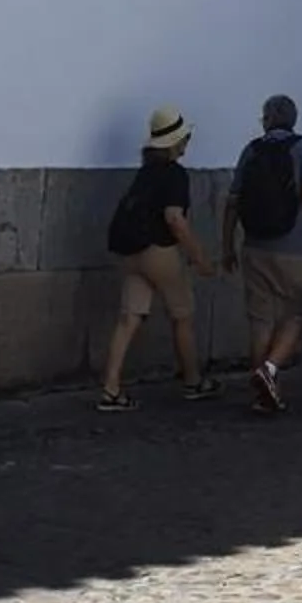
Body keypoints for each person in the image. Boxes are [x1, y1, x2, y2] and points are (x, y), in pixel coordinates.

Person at [223, 93, 302, 411]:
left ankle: (261, 392)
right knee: (298, 312)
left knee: (260, 320)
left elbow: (232, 202)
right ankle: (270, 369)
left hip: (254, 246)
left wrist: (226, 246)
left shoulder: (251, 150)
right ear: (294, 119)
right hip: (295, 249)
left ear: (266, 119)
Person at [97, 104, 217, 411]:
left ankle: (110, 389)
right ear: (178, 142)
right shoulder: (175, 175)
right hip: (158, 252)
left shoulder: (145, 172)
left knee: (128, 318)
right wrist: (199, 256)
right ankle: (193, 381)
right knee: (182, 315)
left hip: (130, 252)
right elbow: (175, 219)